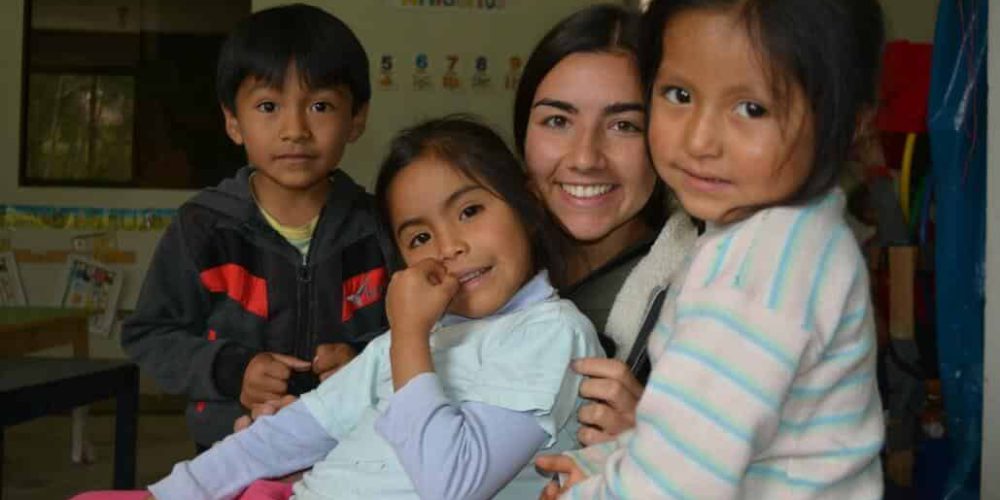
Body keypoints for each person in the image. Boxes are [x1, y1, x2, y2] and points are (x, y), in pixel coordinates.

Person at [75, 116, 603, 500]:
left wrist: (410, 338)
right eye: (419, 236)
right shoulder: (414, 341)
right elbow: (290, 433)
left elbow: (453, 484)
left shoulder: (548, 333)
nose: (448, 247)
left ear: (528, 206)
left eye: (469, 210)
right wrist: (166, 495)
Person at [537, 0, 886, 497]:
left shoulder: (759, 263)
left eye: (752, 109)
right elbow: (707, 441)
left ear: (848, 123)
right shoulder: (799, 232)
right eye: (679, 94)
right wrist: (606, 464)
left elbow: (678, 485)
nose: (700, 140)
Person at [120, 4, 390, 452]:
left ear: (356, 118)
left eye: (320, 105)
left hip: (355, 451)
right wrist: (232, 370)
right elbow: (150, 333)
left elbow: (422, 335)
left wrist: (364, 365)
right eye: (268, 105)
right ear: (233, 121)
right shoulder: (203, 228)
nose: (295, 130)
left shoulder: (379, 227)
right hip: (233, 447)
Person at [514, 4, 697, 446]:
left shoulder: (710, 297)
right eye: (557, 121)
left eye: (624, 126)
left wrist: (654, 448)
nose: (585, 158)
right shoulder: (475, 267)